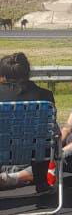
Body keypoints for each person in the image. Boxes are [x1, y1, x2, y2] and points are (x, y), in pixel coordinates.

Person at [0, 53, 56, 193]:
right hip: (36, 151)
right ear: (28, 72)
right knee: (42, 138)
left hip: (3, 150)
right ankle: (42, 182)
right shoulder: (45, 95)